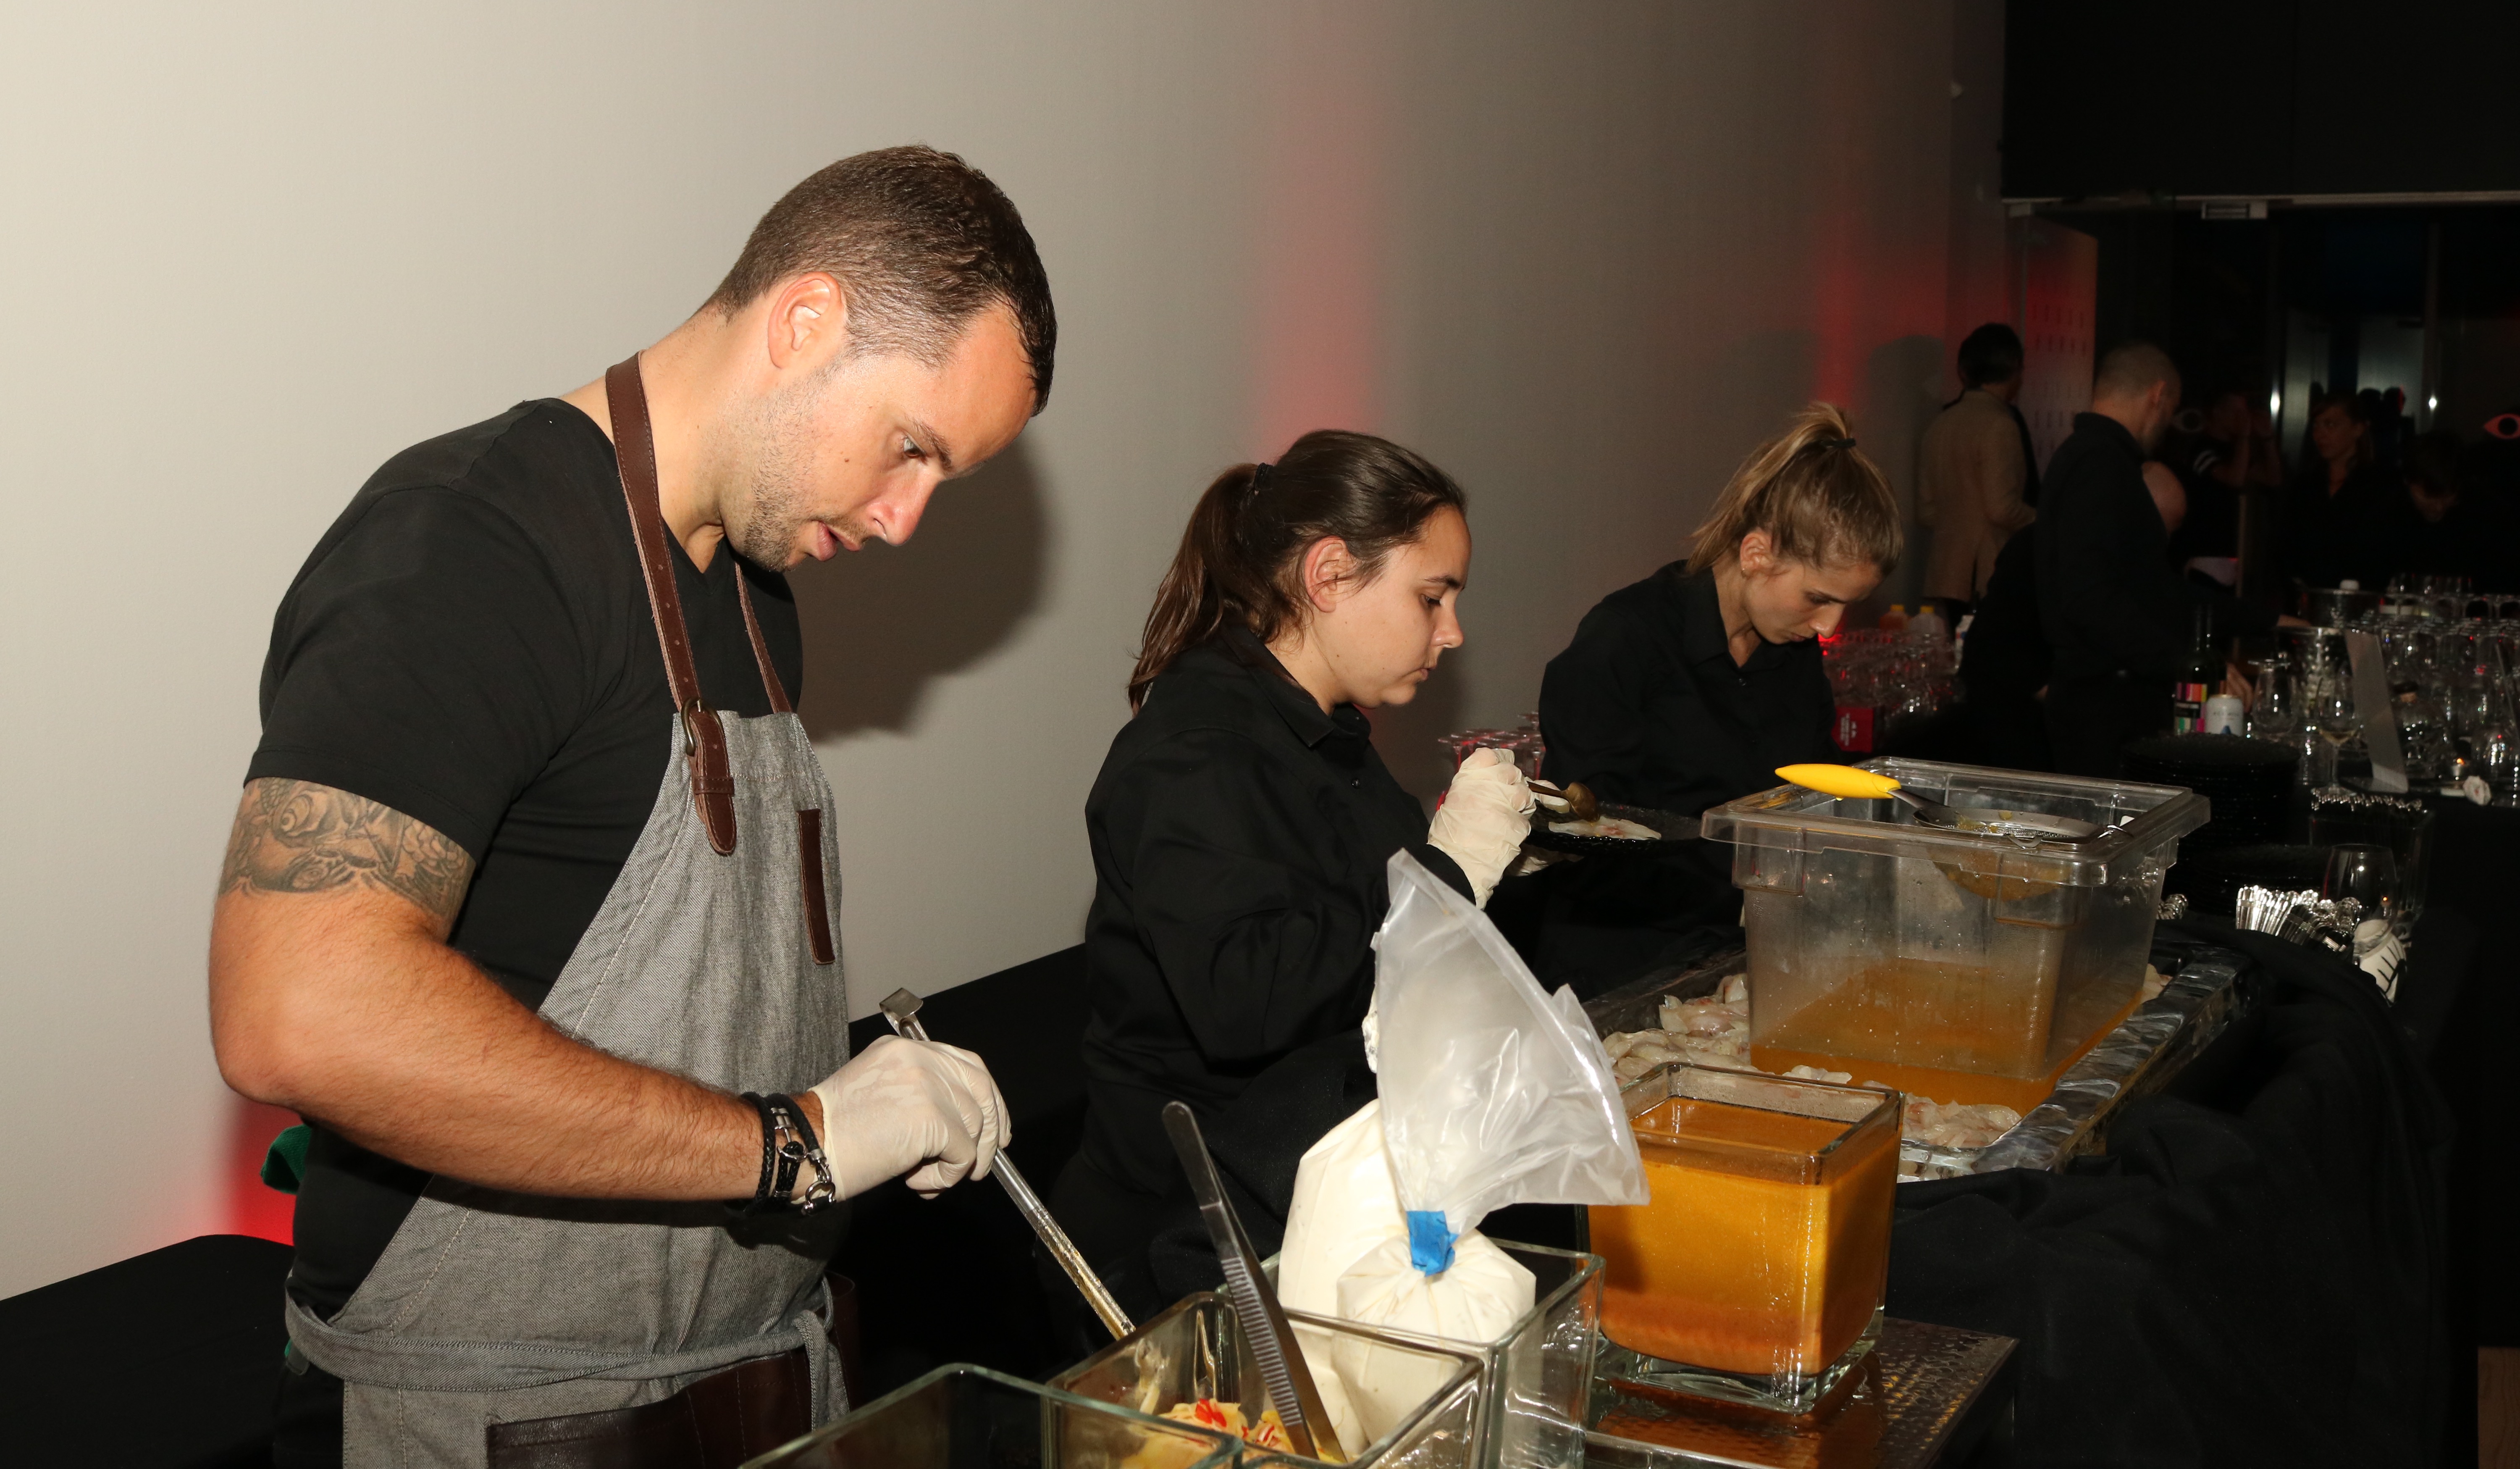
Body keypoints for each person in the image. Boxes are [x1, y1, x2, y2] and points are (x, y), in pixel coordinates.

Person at [211, 147, 1050, 1467]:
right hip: (493, 1419)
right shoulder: (473, 543)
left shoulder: (757, 600)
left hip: (743, 1389)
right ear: (805, 321)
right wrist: (796, 1144)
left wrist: (861, 1106)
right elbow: (297, 1011)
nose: (905, 520)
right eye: (911, 449)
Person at [1057, 431, 1531, 1343]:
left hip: (1304, 1202)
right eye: (1431, 596)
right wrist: (1450, 872)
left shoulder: (1329, 737)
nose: (1452, 632)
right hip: (1185, 1243)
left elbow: (1368, 950)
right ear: (1329, 574)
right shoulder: (1196, 750)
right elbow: (1250, 999)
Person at [1533, 404, 1898, 978]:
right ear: (1756, 554)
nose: (1830, 626)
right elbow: (1590, 839)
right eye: (1818, 598)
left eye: (1845, 605)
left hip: (1738, 953)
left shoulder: (1793, 652)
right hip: (1621, 962)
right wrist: (1747, 893)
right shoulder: (1627, 638)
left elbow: (1811, 792)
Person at [2035, 343, 2279, 777]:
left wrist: (2263, 619)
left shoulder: (2093, 457)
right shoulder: (2099, 462)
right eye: (2172, 409)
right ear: (2159, 395)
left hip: (2103, 700)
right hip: (2103, 707)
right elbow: (2091, 597)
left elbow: (2150, 587)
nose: (2168, 422)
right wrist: (2183, 662)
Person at [1917, 324, 2037, 618]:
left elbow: (1926, 511)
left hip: (1947, 569)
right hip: (1985, 566)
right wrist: (2041, 520)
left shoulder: (1940, 423)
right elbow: (2001, 509)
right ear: (2014, 368)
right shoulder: (2000, 425)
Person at [2274, 389, 2401, 596]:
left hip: (2362, 598)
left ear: (2358, 429)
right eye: (2316, 426)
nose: (2320, 434)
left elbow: (2383, 552)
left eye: (2331, 425)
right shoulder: (2306, 485)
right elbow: (2286, 547)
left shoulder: (2382, 485)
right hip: (2307, 598)